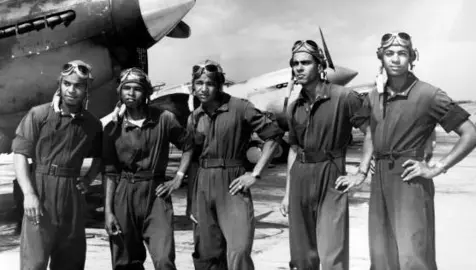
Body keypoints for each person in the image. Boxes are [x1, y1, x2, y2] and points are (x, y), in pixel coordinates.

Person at [343, 32, 476, 270]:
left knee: (413, 254)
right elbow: (370, 134)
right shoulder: (375, 96)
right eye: (389, 54)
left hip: (410, 181)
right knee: (381, 253)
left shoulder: (429, 94)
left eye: (402, 53)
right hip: (379, 181)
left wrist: (437, 167)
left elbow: (471, 134)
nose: (395, 59)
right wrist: (363, 170)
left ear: (412, 57)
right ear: (381, 58)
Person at [279, 40, 371, 270]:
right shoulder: (293, 106)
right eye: (295, 63)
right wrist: (288, 193)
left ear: (320, 66)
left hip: (330, 176)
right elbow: (293, 149)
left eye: (306, 63)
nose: (299, 68)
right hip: (300, 176)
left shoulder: (344, 97)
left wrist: (361, 172)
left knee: (333, 254)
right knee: (301, 257)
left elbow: (373, 131)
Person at [187, 60, 284, 270]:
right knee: (207, 254)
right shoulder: (194, 117)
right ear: (193, 86)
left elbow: (273, 135)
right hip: (202, 186)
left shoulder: (241, 107)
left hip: (232, 184)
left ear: (220, 84)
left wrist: (255, 173)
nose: (204, 89)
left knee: (239, 250)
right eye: (199, 83)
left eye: (210, 83)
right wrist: (191, 203)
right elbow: (193, 160)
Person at [12, 60, 103, 270]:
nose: (72, 90)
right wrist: (28, 194)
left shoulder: (92, 124)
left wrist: (88, 179)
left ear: (86, 89)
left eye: (78, 85)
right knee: (34, 263)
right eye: (67, 84)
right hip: (41, 192)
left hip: (72, 196)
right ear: (60, 84)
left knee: (70, 262)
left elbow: (100, 156)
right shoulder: (39, 114)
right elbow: (20, 154)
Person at [101, 68, 193, 270]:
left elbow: (189, 145)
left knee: (164, 260)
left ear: (146, 93)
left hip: (156, 194)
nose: (131, 93)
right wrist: (108, 211)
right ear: (120, 92)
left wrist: (178, 177)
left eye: (137, 89)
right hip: (123, 193)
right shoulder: (112, 128)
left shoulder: (165, 119)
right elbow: (109, 172)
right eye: (126, 88)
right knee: (125, 261)